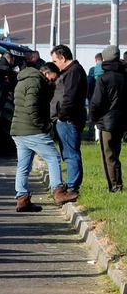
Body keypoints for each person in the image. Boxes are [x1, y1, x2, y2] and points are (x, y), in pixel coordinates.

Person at [10, 57, 69, 210]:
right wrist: (43, 124)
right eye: (52, 78)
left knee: (23, 165)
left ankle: (22, 198)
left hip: (18, 130)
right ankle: (58, 191)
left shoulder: (23, 80)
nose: (52, 82)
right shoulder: (35, 82)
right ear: (45, 72)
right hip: (32, 130)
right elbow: (31, 107)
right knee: (53, 157)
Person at [51, 45, 89, 195]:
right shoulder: (72, 71)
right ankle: (72, 184)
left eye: (55, 61)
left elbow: (70, 97)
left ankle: (72, 186)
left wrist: (62, 116)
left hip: (68, 119)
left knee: (70, 154)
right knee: (69, 153)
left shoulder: (73, 72)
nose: (54, 64)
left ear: (63, 58)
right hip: (69, 118)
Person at [90, 45, 125, 194]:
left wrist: (94, 118)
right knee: (116, 153)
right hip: (122, 119)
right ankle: (118, 183)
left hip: (107, 121)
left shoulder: (103, 79)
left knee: (108, 155)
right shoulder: (125, 76)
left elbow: (96, 103)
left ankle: (114, 186)